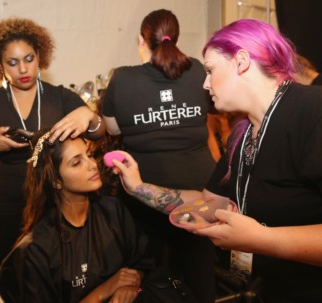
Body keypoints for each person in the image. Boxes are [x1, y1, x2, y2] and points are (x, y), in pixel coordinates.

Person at [110, 19, 322, 303]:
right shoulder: (243, 133)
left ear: (242, 62)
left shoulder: (312, 112)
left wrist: (260, 239)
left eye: (210, 70)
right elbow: (207, 203)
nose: (204, 83)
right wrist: (138, 187)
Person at [0, 18, 105, 261]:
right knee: (17, 266)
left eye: (29, 59)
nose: (23, 69)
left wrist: (89, 116)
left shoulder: (60, 97)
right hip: (10, 202)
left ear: (39, 56)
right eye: (13, 62)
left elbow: (99, 133)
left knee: (63, 263)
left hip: (57, 198)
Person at [101, 9, 216, 303]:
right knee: (198, 274)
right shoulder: (198, 70)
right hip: (201, 192)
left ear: (142, 39)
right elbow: (215, 110)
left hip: (146, 196)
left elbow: (112, 127)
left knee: (150, 278)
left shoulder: (123, 78)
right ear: (175, 38)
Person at [0, 130, 154, 303]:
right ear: (56, 180)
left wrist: (130, 284)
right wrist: (104, 291)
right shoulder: (36, 249)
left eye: (89, 155)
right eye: (77, 162)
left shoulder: (113, 210)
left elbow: (143, 261)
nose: (92, 165)